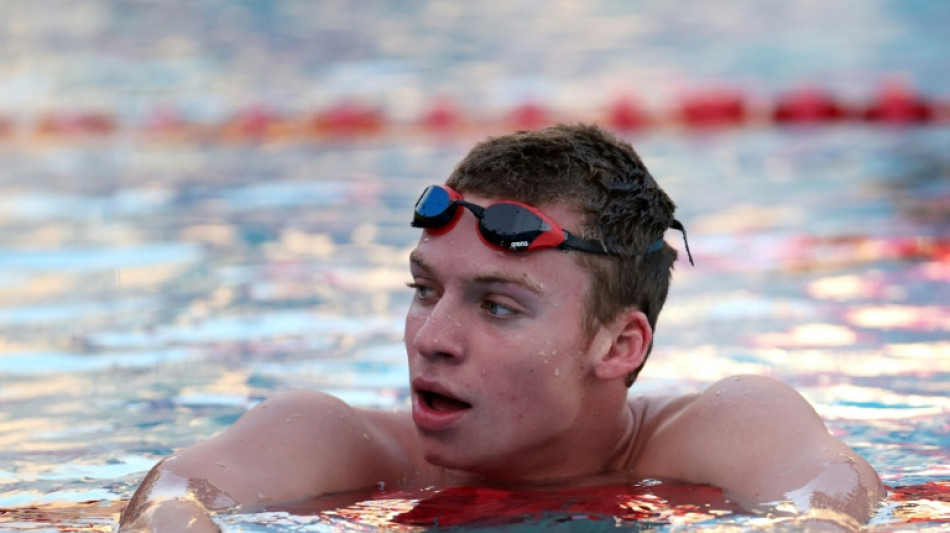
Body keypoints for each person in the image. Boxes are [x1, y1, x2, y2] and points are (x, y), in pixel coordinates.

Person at [119, 123, 883, 531]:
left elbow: (829, 500)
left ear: (618, 346)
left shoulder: (721, 432)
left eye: (497, 305)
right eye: (424, 290)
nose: (431, 337)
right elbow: (174, 495)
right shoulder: (338, 440)